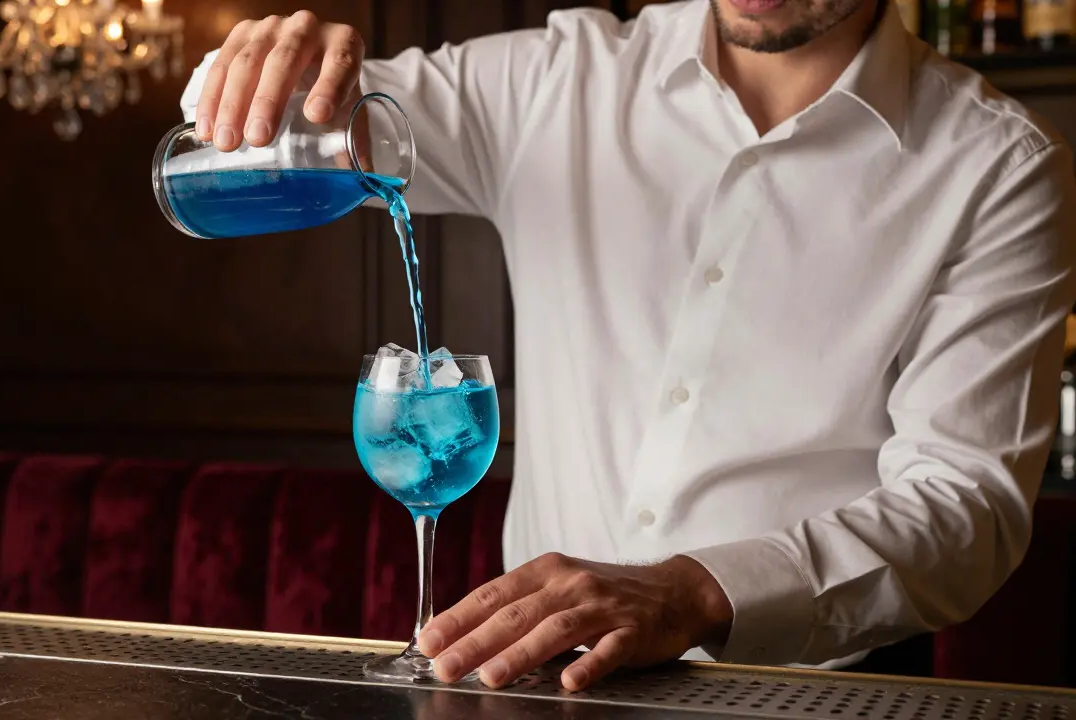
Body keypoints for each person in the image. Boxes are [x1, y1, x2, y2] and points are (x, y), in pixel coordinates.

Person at [179, 0, 1076, 693]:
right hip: (533, 689)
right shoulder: (558, 77)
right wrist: (274, 74)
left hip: (804, 692)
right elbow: (321, 124)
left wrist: (697, 592)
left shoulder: (998, 166)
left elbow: (966, 508)